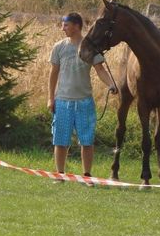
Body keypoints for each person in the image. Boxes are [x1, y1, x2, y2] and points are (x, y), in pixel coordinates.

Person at [47, 12, 116, 182]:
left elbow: (100, 69)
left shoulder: (89, 47)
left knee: (87, 141)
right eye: (63, 25)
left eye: (66, 25)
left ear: (77, 26)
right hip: (63, 101)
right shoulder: (59, 47)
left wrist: (111, 85)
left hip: (84, 101)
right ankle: (60, 174)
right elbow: (53, 73)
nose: (62, 28)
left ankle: (87, 175)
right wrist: (51, 98)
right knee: (60, 140)